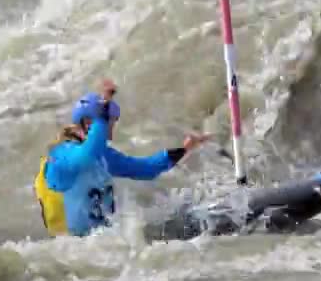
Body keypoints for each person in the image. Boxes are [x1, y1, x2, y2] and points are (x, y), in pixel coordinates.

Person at [33, 81, 210, 237]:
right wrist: (103, 106)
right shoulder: (60, 156)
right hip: (72, 250)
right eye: (109, 125)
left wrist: (184, 149)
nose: (110, 134)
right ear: (89, 124)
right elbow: (87, 154)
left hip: (101, 245)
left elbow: (145, 169)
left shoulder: (103, 156)